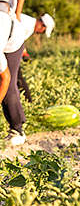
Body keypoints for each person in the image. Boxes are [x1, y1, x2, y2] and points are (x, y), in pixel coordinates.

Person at [3, 13, 54, 146]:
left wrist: (24, 54)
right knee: (14, 79)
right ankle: (26, 103)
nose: (40, 32)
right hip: (9, 42)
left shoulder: (25, 24)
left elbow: (17, 40)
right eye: (43, 30)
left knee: (9, 83)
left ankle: (17, 128)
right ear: (41, 24)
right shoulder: (27, 23)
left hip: (11, 44)